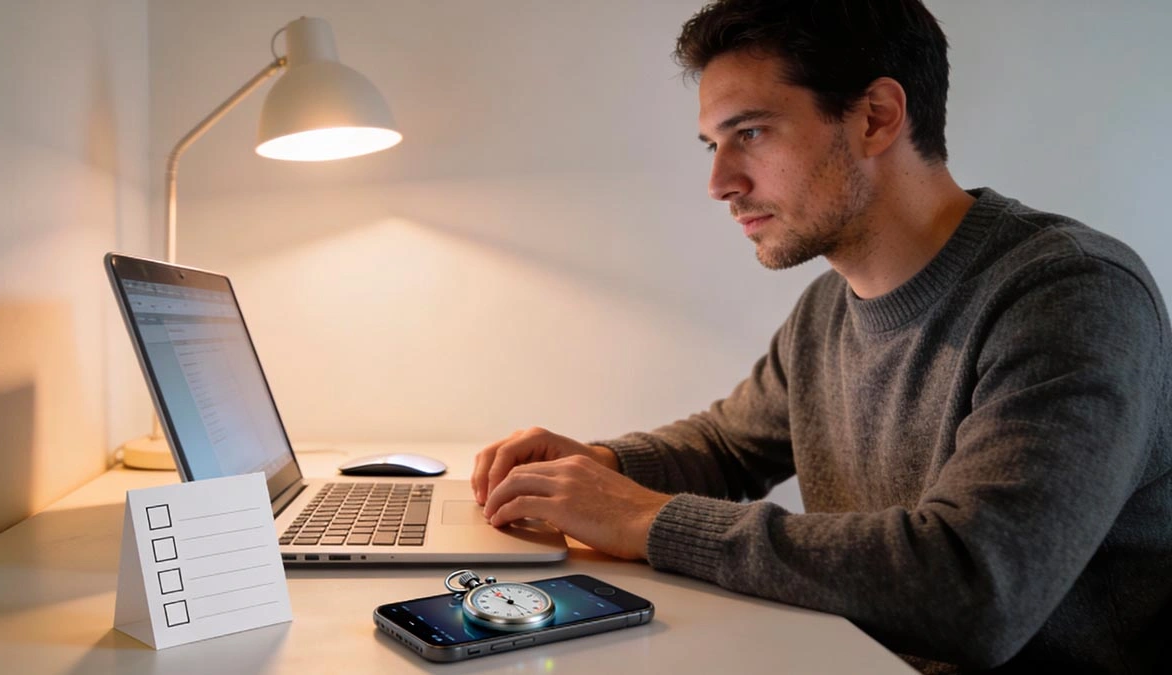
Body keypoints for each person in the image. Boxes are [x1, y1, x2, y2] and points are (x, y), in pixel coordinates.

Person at [471, 1, 1171, 672]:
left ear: (876, 117)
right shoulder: (828, 309)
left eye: (750, 132)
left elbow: (977, 585)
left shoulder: (1071, 293)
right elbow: (726, 446)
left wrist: (648, 519)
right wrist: (598, 465)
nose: (719, 181)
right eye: (714, 144)